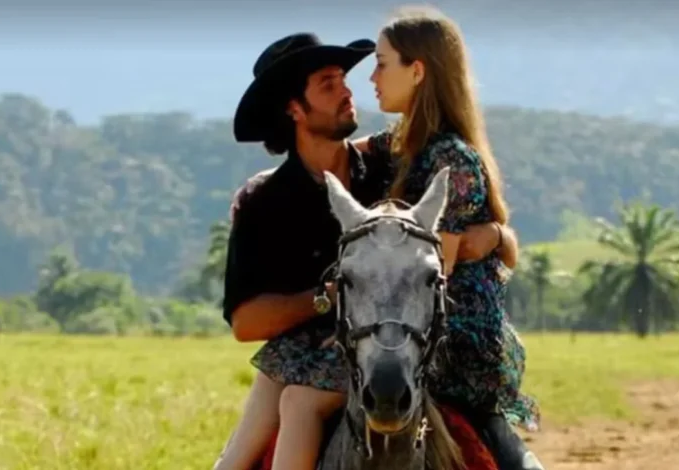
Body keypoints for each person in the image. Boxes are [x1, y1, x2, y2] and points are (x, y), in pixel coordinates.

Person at [213, 26, 537, 470]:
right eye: (329, 85)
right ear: (294, 109)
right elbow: (247, 322)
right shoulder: (262, 204)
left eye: (345, 78)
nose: (350, 91)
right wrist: (330, 296)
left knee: (295, 396)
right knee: (280, 385)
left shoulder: (395, 166)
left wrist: (498, 237)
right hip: (332, 342)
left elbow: (472, 240)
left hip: (416, 336)